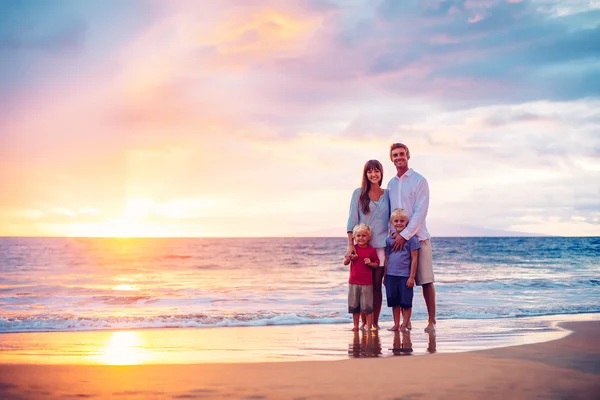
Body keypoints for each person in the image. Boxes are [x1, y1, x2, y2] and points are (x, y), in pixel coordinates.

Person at [387, 142, 437, 333]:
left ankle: (431, 321)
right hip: (397, 242)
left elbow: (420, 211)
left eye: (402, 154)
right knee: (400, 282)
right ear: (391, 159)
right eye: (395, 155)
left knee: (425, 281)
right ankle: (405, 322)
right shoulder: (391, 184)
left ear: (408, 155)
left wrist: (406, 235)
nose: (399, 158)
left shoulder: (419, 180)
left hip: (418, 238)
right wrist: (393, 235)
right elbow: (390, 213)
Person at [346, 160, 390, 330]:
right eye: (369, 171)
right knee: (361, 285)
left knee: (376, 286)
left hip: (381, 247)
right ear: (365, 174)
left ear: (381, 173)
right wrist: (350, 245)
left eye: (376, 171)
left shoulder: (387, 194)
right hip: (362, 247)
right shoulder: (358, 193)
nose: (373, 174)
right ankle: (363, 322)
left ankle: (374, 323)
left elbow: (392, 220)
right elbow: (352, 220)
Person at [384, 208, 420, 332]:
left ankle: (405, 325)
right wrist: (385, 276)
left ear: (407, 222)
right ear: (391, 223)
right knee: (394, 302)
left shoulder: (412, 239)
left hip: (405, 276)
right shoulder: (389, 240)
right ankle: (396, 324)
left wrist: (412, 277)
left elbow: (414, 259)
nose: (399, 223)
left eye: (402, 221)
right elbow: (387, 257)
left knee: (406, 302)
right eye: (396, 221)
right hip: (390, 276)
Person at [343, 223, 380, 331]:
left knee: (367, 307)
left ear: (369, 237)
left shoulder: (371, 250)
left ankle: (369, 326)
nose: (361, 238)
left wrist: (370, 262)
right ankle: (355, 326)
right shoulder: (352, 249)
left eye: (364, 236)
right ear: (354, 237)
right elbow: (345, 262)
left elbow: (377, 264)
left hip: (367, 283)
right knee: (354, 306)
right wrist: (350, 258)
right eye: (358, 236)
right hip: (353, 282)